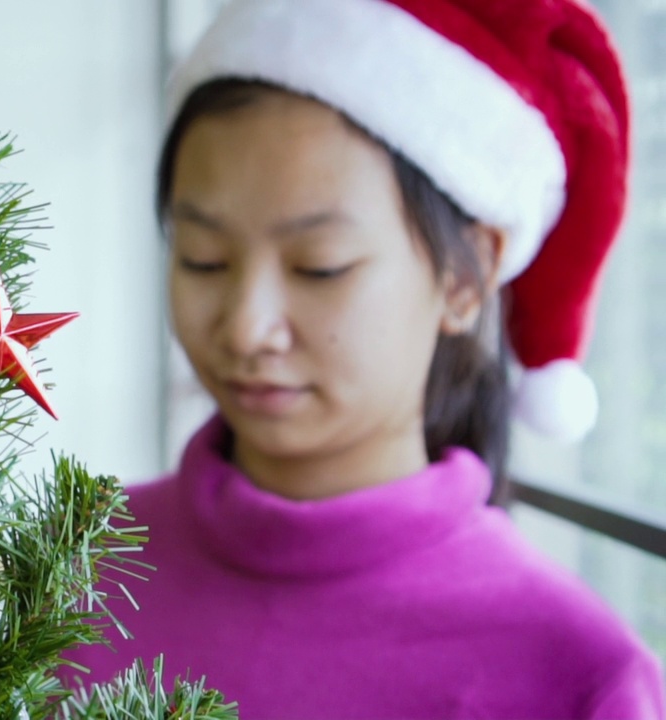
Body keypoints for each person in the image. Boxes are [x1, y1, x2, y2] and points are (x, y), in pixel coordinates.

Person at [61, 0, 666, 717]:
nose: (247, 327)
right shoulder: (67, 571)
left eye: (320, 266)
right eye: (205, 259)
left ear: (466, 277)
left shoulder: (575, 673)